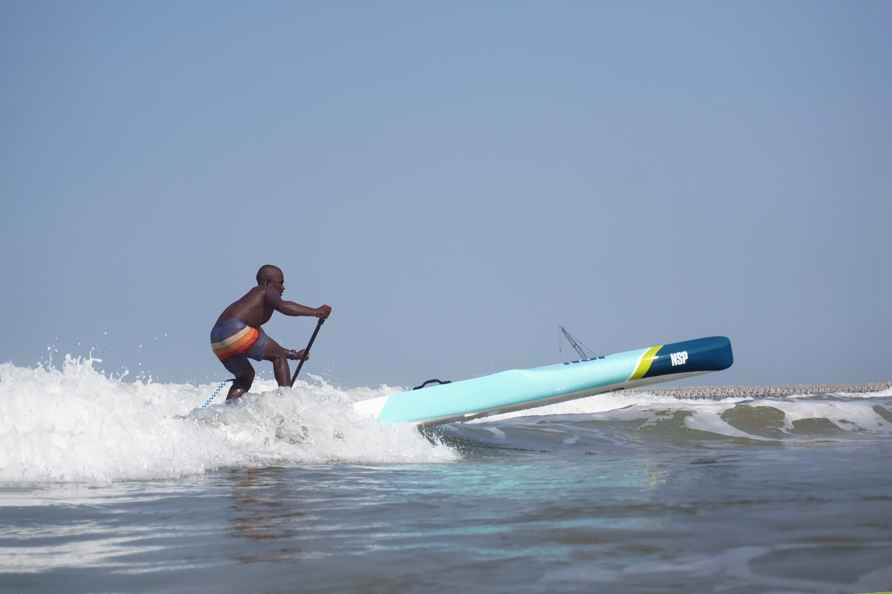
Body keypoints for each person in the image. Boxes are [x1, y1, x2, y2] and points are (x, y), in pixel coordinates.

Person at [210, 264, 332, 402]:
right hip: (235, 330)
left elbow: (267, 344)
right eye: (280, 283)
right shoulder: (265, 290)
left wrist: (293, 354)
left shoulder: (250, 308)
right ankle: (287, 402)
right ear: (267, 282)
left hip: (217, 340)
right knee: (278, 357)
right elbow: (284, 307)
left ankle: (228, 415)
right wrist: (316, 312)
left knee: (245, 377)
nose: (283, 288)